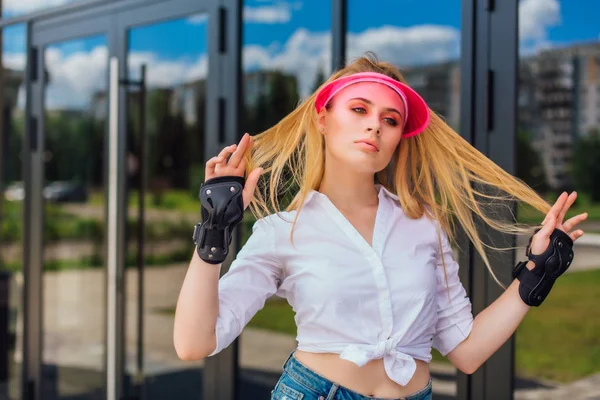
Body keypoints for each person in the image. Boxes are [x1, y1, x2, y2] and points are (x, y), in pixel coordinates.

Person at [173, 54, 587, 400]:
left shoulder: (424, 224)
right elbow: (195, 343)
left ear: (397, 138)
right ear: (323, 118)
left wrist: (536, 273)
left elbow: (466, 351)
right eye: (359, 109)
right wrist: (214, 229)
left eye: (390, 120)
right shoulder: (283, 230)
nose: (375, 125)